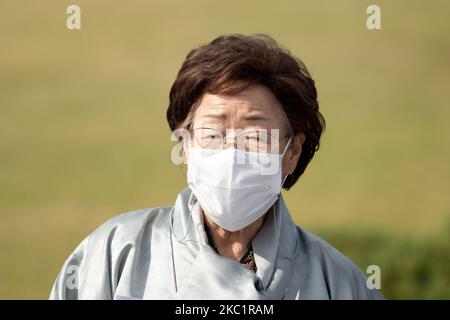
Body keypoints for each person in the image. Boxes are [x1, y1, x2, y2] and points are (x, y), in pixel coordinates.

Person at [50, 34, 383, 300]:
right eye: (212, 133)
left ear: (292, 151)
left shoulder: (339, 283)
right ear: (185, 144)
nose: (232, 152)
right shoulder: (115, 254)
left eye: (255, 134)